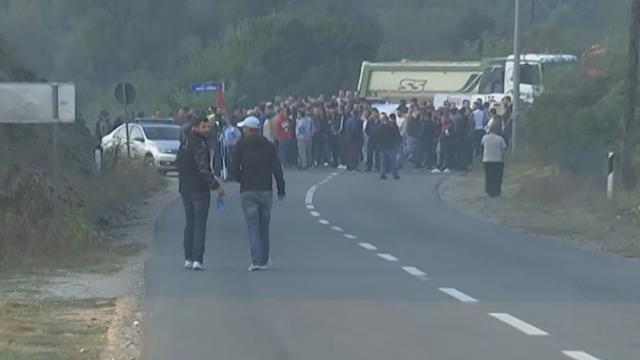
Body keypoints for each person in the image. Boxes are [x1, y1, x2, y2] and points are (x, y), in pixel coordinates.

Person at [232, 116, 286, 271]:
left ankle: (256, 260)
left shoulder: (241, 145)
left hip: (248, 189)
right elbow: (277, 168)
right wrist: (281, 189)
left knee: (252, 225)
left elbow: (234, 167)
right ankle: (264, 258)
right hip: (265, 189)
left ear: (249, 130)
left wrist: (240, 179)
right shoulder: (268, 146)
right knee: (264, 225)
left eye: (244, 128)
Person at [178, 116, 225, 271]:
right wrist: (215, 186)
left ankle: (188, 258)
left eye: (207, 126)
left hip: (185, 189)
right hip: (199, 189)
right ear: (195, 128)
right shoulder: (199, 144)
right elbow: (203, 168)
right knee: (199, 225)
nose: (207, 129)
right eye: (204, 127)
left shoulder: (184, 143)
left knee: (189, 223)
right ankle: (198, 259)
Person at [371, 113, 402, 180]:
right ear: (387, 120)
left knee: (382, 161)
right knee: (392, 161)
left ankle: (382, 174)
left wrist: (376, 144)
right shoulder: (391, 127)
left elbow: (375, 136)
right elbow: (395, 136)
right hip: (390, 146)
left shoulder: (379, 127)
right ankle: (394, 174)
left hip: (381, 146)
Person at [481, 124, 507, 197]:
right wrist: (503, 158)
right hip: (497, 160)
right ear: (496, 130)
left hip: (487, 159)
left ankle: (489, 190)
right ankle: (496, 191)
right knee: (497, 177)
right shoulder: (500, 139)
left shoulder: (485, 138)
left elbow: (482, 147)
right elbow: (503, 150)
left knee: (489, 176)